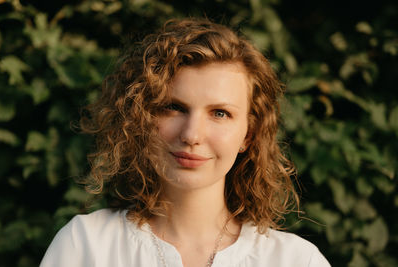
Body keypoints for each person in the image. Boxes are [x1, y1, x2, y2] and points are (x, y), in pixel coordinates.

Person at [40, 18, 331, 267]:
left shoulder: (295, 260)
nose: (192, 135)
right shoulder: (87, 246)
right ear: (142, 118)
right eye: (173, 108)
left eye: (220, 113)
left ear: (248, 135)